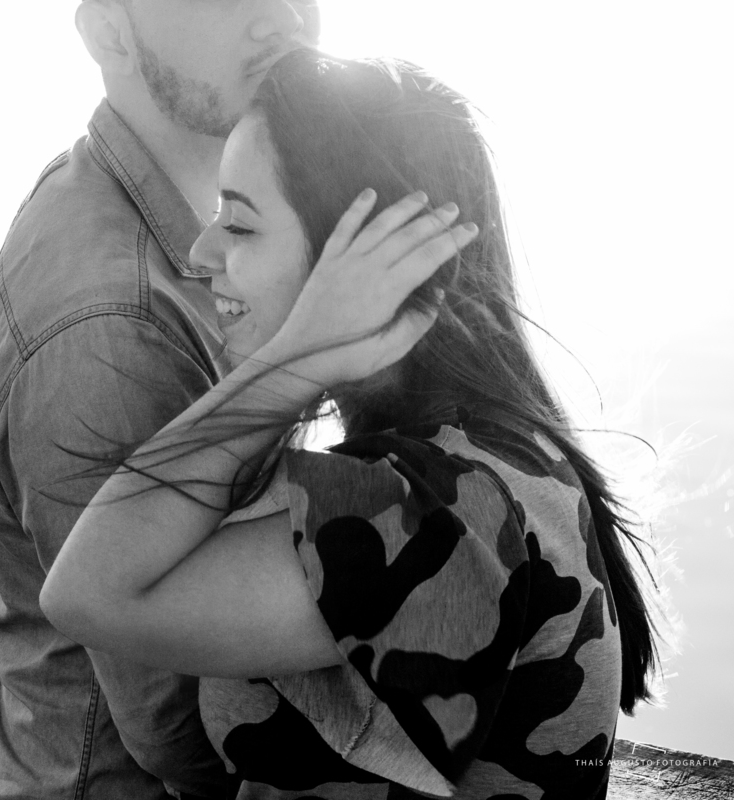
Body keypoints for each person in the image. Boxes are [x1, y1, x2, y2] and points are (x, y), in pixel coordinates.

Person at [42, 50, 660, 799]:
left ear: (357, 261)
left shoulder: (435, 509)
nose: (202, 254)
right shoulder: (484, 457)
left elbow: (87, 594)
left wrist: (295, 360)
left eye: (238, 223)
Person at [0, 2, 320, 798]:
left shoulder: (120, 197)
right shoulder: (114, 325)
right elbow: (183, 728)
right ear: (109, 32)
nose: (286, 20)